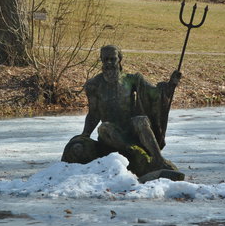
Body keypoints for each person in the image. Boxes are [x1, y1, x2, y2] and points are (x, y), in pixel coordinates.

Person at [62, 45, 183, 179]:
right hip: (111, 133)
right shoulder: (94, 85)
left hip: (130, 129)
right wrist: (85, 133)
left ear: (119, 59)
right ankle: (135, 154)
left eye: (112, 59)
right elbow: (93, 114)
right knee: (104, 128)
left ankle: (158, 159)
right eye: (105, 59)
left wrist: (171, 84)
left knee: (141, 120)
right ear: (101, 60)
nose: (108, 63)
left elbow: (155, 95)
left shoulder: (132, 80)